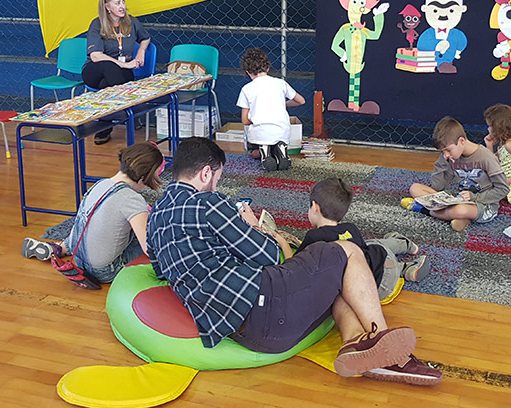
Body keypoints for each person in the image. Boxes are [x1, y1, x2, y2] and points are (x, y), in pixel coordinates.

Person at [146, 137, 442, 386]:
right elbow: (267, 255)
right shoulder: (209, 203)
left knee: (335, 277)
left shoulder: (155, 215)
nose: (216, 186)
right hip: (268, 306)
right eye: (217, 179)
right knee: (347, 251)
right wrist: (253, 228)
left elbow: (159, 269)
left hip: (242, 331)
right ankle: (385, 344)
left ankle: (355, 342)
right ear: (205, 173)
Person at [21, 142, 163, 284]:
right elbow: (148, 248)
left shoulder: (100, 184)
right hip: (105, 271)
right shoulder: (132, 199)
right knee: (153, 238)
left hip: (79, 259)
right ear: (143, 178)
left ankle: (61, 247)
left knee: (92, 224)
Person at [298, 177, 430, 301]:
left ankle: (406, 268)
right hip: (383, 265)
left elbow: (295, 265)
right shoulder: (350, 228)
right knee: (369, 246)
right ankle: (404, 245)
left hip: (374, 291)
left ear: (314, 207)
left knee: (360, 255)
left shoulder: (313, 237)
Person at [403, 117, 509, 232]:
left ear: (461, 141)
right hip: (460, 199)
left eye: (448, 150)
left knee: (459, 210)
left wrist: (475, 197)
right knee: (415, 188)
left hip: (484, 205)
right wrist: (443, 162)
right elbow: (438, 187)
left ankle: (423, 209)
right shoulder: (452, 157)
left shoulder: (486, 157)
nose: (446, 155)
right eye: (443, 151)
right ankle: (460, 219)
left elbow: (503, 189)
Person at [82, 0, 151, 144]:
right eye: (117, 3)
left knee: (106, 85)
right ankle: (130, 109)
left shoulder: (131, 21)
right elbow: (95, 55)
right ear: (107, 7)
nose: (122, 6)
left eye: (123, 2)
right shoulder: (97, 24)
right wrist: (125, 65)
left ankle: (104, 126)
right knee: (109, 66)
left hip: (119, 76)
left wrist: (141, 52)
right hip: (96, 70)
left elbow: (145, 38)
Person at [237, 47, 305, 171]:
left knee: (252, 151)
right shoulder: (281, 83)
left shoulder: (246, 89)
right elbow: (301, 101)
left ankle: (263, 150)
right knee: (277, 139)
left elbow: (245, 120)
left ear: (248, 72)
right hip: (282, 132)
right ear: (268, 68)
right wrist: (283, 103)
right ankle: (279, 150)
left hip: (260, 134)